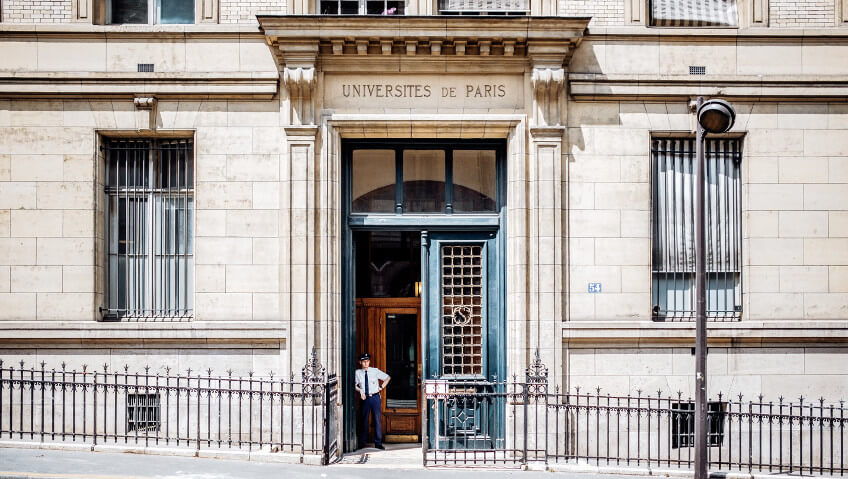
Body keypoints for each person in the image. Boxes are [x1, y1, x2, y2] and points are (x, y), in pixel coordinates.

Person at [354, 353, 390, 450]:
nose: (366, 363)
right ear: (360, 362)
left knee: (377, 420)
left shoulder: (374, 371)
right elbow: (354, 384)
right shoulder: (357, 373)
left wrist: (381, 387)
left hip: (375, 397)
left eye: (367, 361)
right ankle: (362, 442)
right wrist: (360, 390)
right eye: (364, 361)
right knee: (363, 420)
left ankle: (378, 442)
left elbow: (387, 378)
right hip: (364, 398)